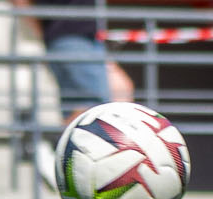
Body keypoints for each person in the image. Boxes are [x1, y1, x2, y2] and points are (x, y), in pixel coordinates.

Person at [15, 0, 136, 186]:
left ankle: (100, 165)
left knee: (121, 90)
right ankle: (54, 153)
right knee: (90, 110)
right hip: (69, 38)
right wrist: (42, 35)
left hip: (88, 38)